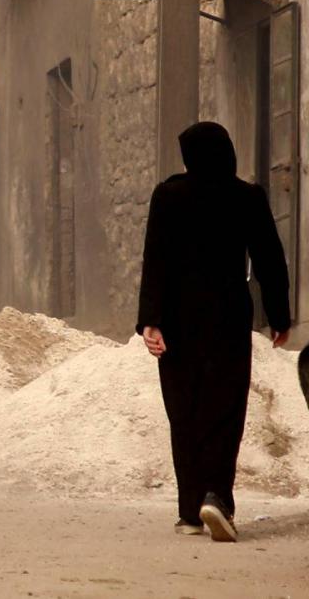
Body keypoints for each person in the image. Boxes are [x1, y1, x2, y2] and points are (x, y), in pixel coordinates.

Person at [137, 121, 292, 542]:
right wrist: (280, 316)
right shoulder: (247, 197)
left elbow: (156, 261)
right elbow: (269, 261)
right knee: (223, 412)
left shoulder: (168, 196)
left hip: (177, 322)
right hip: (227, 318)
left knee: (184, 413)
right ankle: (216, 498)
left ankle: (189, 513)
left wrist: (150, 320)